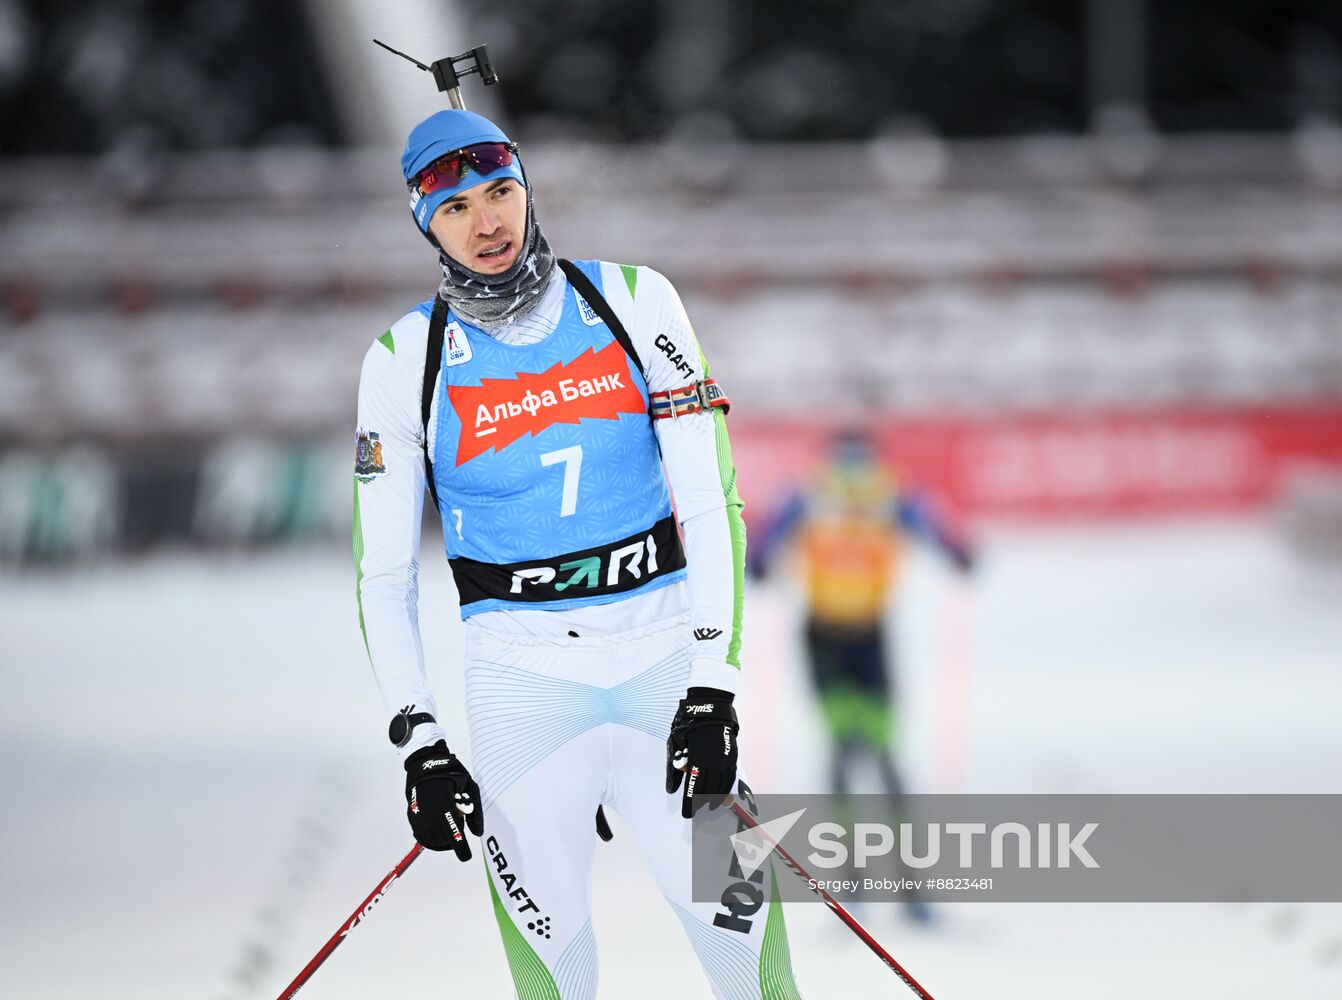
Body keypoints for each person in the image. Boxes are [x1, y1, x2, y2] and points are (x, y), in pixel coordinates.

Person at [353, 108, 802, 998]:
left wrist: (715, 689)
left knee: (754, 964)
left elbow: (712, 505)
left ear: (526, 188)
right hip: (522, 684)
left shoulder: (635, 301)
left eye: (500, 193)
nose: (486, 223)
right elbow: (384, 574)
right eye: (454, 209)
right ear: (423, 222)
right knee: (552, 973)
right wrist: (422, 743)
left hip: (666, 657)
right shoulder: (405, 358)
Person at [749, 428, 974, 920]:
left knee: (877, 754)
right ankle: (860, 882)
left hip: (864, 640)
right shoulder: (823, 495)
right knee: (851, 750)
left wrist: (958, 553)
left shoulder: (876, 494)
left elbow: (941, 535)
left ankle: (901, 886)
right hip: (830, 641)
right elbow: (762, 547)